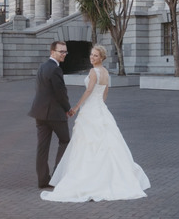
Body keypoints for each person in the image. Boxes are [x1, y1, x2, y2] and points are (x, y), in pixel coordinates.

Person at [41, 45, 150, 202]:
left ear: (102, 58)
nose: (92, 58)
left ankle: (88, 178)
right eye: (91, 55)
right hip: (100, 108)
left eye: (96, 56)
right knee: (106, 142)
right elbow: (105, 93)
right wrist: (99, 106)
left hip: (91, 109)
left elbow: (89, 91)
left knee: (87, 143)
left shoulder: (93, 72)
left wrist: (77, 107)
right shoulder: (106, 72)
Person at [28, 40, 74, 189]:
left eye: (65, 51)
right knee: (65, 141)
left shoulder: (42, 67)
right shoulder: (55, 69)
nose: (64, 54)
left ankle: (42, 180)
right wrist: (68, 109)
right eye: (61, 51)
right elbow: (61, 93)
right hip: (54, 114)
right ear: (52, 52)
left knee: (42, 147)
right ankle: (56, 177)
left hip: (39, 113)